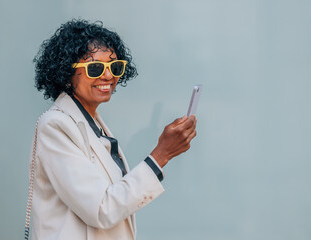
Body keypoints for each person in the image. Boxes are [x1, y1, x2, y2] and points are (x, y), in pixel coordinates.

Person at [28, 19, 197, 240]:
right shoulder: (55, 125)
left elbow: (114, 193)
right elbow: (101, 209)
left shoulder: (93, 122)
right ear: (66, 74)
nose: (108, 76)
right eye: (95, 67)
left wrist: (150, 147)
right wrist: (161, 155)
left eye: (115, 67)